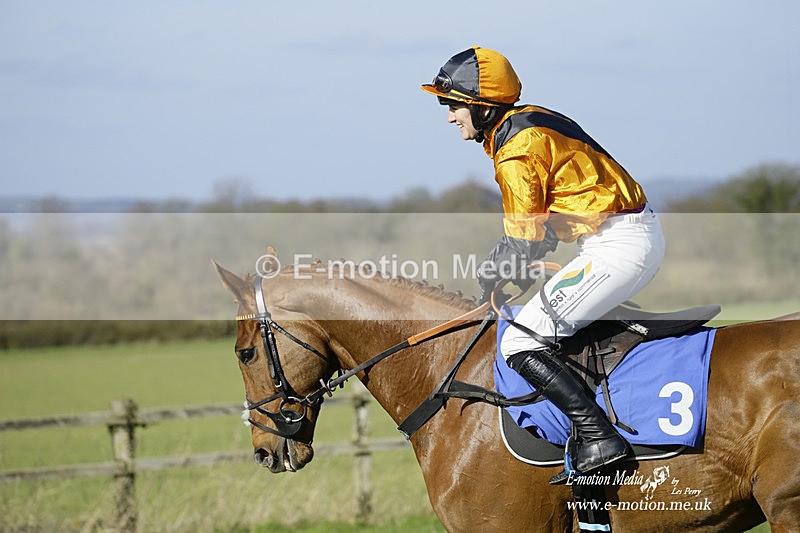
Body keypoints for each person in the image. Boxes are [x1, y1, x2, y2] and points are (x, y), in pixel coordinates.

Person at [421, 46, 665, 484]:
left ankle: (599, 437)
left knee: (517, 342)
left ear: (481, 105)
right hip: (615, 239)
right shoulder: (530, 119)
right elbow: (547, 224)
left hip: (617, 246)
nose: (449, 116)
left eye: (454, 105)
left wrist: (491, 277)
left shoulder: (516, 150)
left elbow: (524, 239)